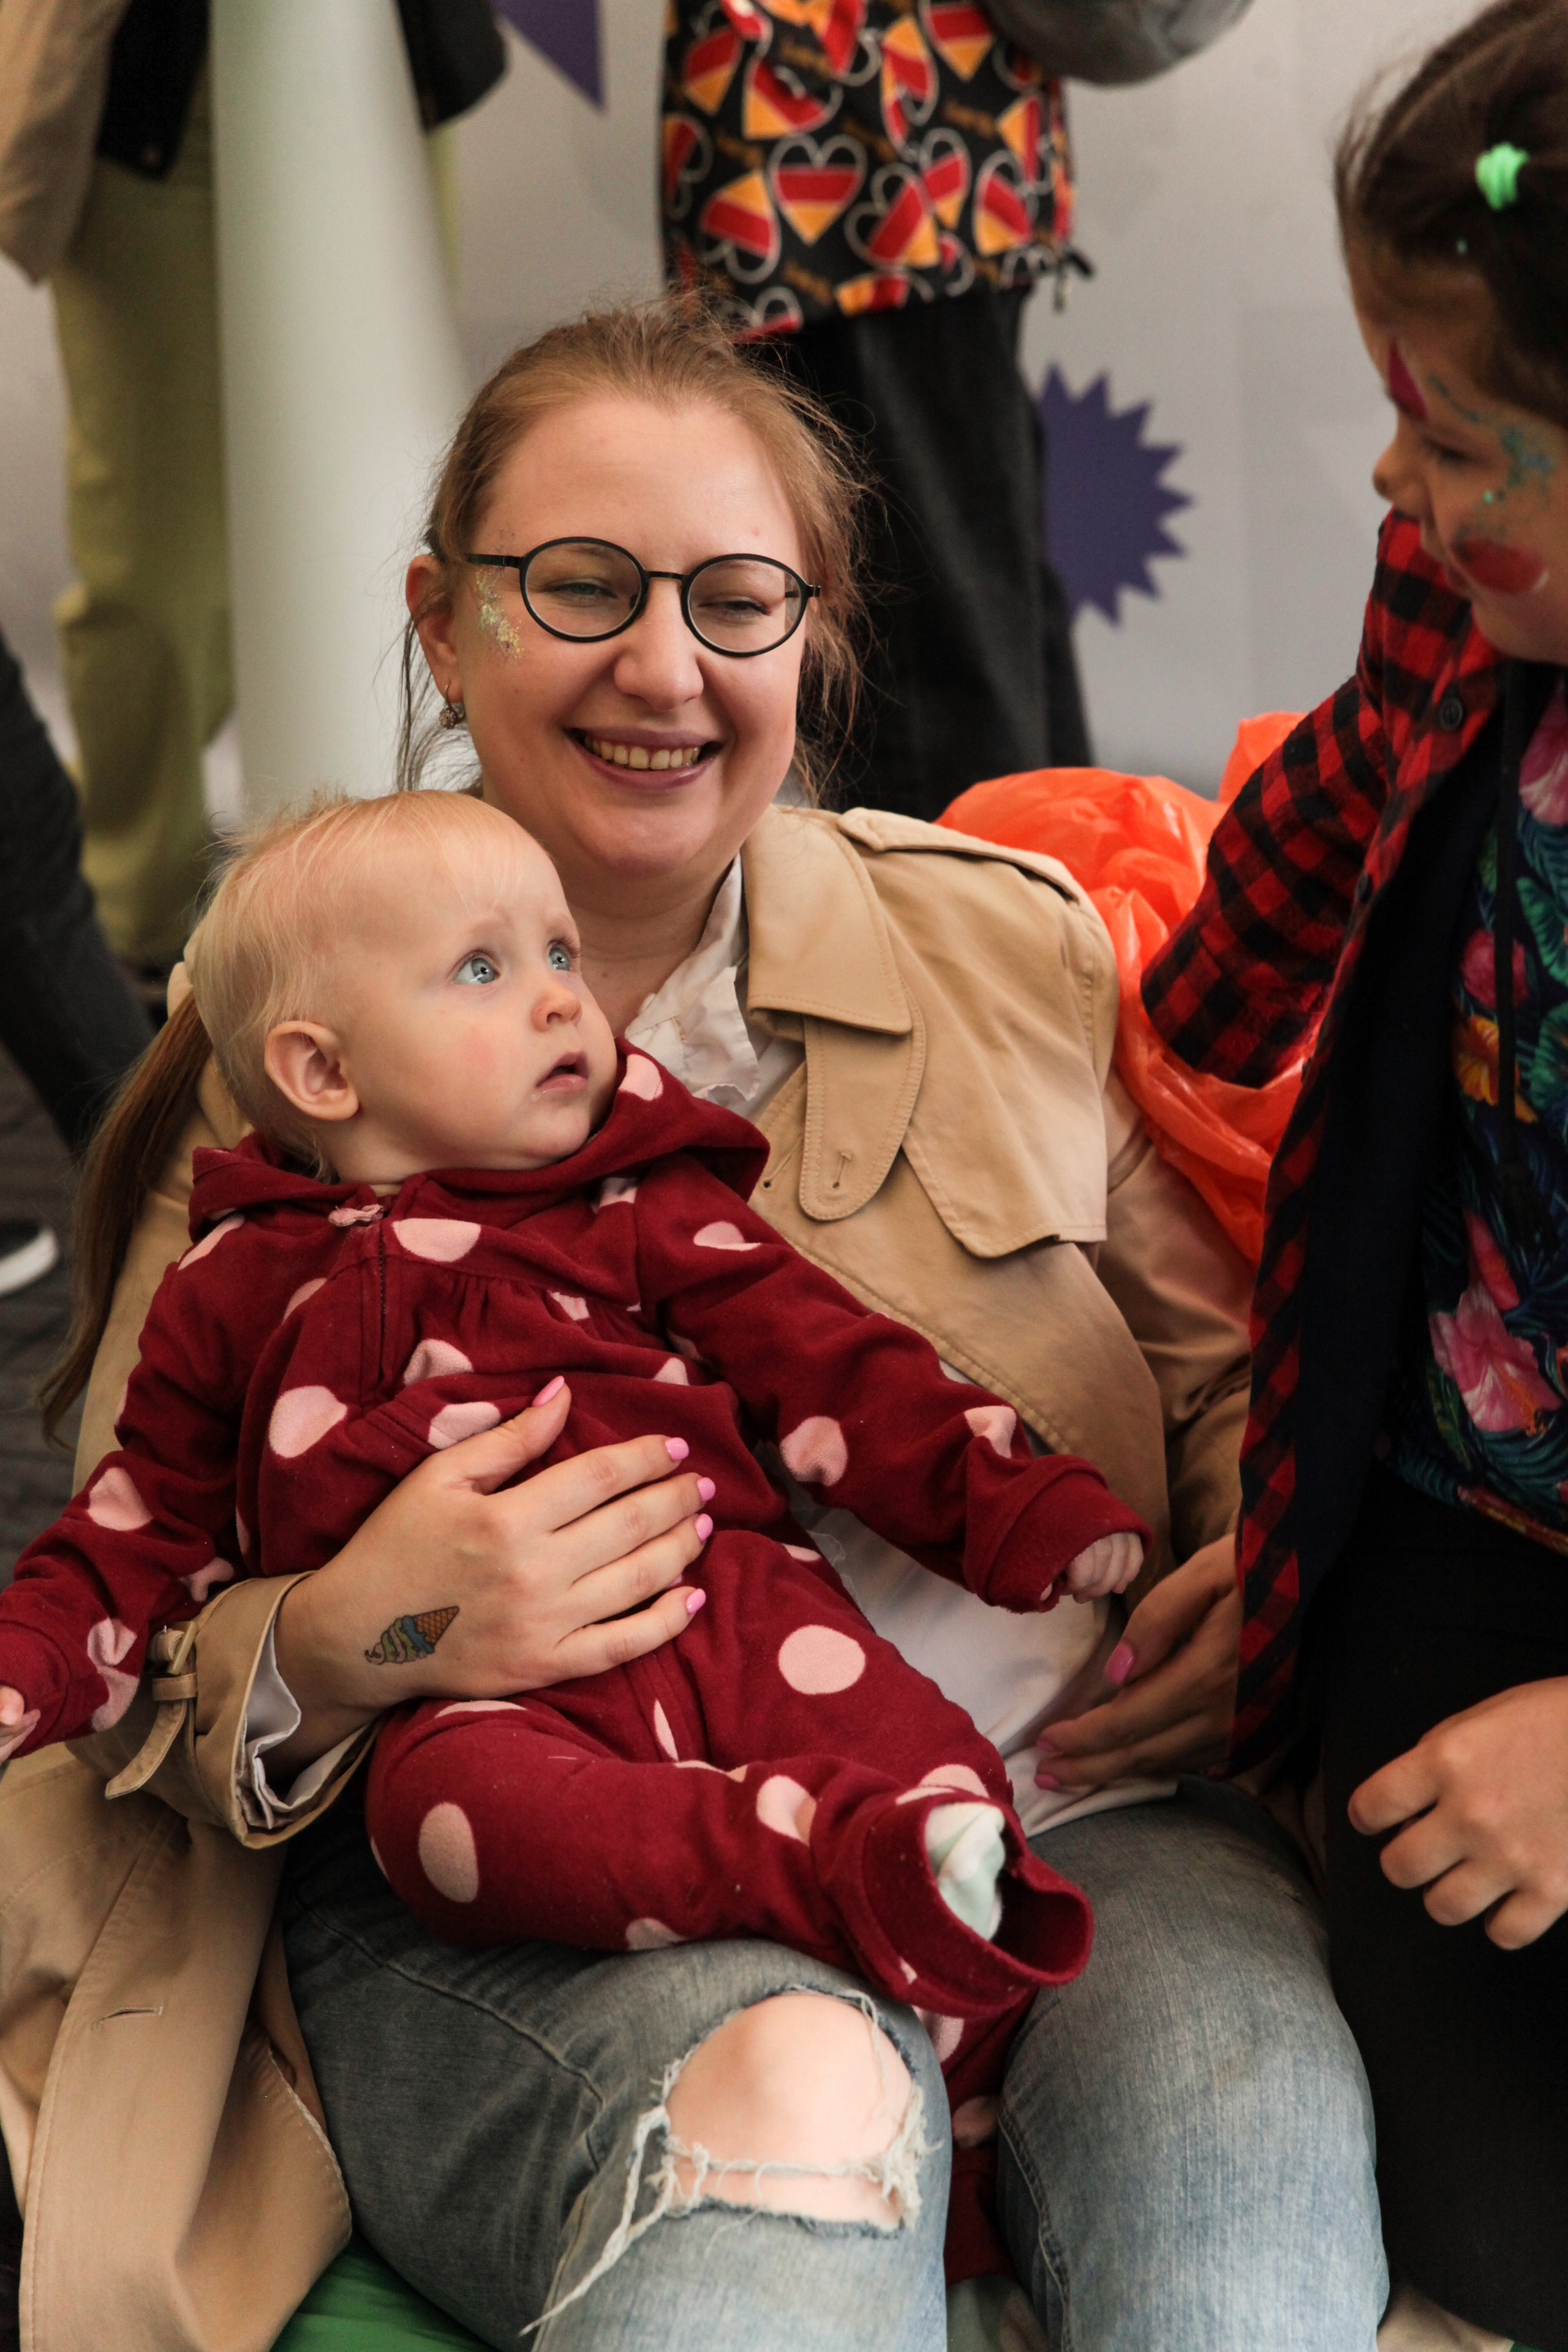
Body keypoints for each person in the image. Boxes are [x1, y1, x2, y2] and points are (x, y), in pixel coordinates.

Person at [2, 301, 1384, 2352]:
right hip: (513, 1871)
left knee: (1240, 2225)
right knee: (790, 2111)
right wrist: (353, 1625)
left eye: (740, 599)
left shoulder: (1003, 954)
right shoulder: (293, 1035)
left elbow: (1233, 1408)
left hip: (1067, 1802)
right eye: (579, 586)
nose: (664, 666)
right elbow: (134, 1620)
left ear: (816, 640)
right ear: (443, 622)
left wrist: (1244, 1575)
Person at [3, 787, 1150, 2296]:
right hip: (481, 1713)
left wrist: (1030, 1511)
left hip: (738, 1610)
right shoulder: (235, 1285)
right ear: (320, 1071)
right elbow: (132, 1533)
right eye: (485, 970)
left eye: (556, 951)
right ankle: (802, 1863)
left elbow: (845, 1380)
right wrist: (29, 1675)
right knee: (453, 1825)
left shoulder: (639, 1204)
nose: (560, 993)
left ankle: (966, 2094)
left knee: (919, 1760)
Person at [1142, 3, 1568, 2343]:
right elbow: (1351, 783)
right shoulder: (1467, 585)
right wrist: (1177, 1009)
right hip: (1468, 1503)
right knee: (1471, 2226)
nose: (1398, 490)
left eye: (1460, 441)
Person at [0, 0, 505, 981]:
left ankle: (411, 881)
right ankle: (136, 926)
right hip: (151, 95)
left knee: (389, 524)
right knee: (153, 570)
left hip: (372, 66)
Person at [659, 0, 1254, 822]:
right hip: (919, 138)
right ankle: (1054, 909)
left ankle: (988, 931)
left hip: (854, 136)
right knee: (967, 587)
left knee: (920, 621)